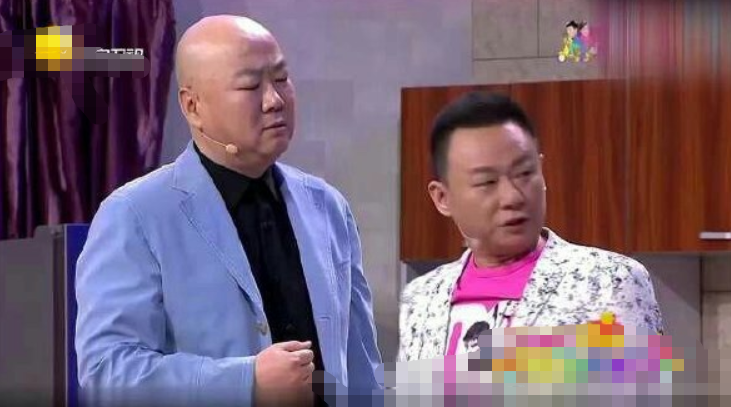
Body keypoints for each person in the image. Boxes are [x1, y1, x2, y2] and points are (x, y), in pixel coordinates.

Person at [75, 15, 382, 406]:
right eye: (251, 86)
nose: (274, 100)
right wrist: (246, 382)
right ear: (193, 106)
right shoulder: (134, 214)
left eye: (281, 78)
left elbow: (361, 366)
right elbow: (107, 374)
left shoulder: (327, 206)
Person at [397, 92, 663, 362]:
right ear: (443, 198)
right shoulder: (420, 298)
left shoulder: (611, 281)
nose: (512, 197)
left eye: (525, 173)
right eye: (487, 182)